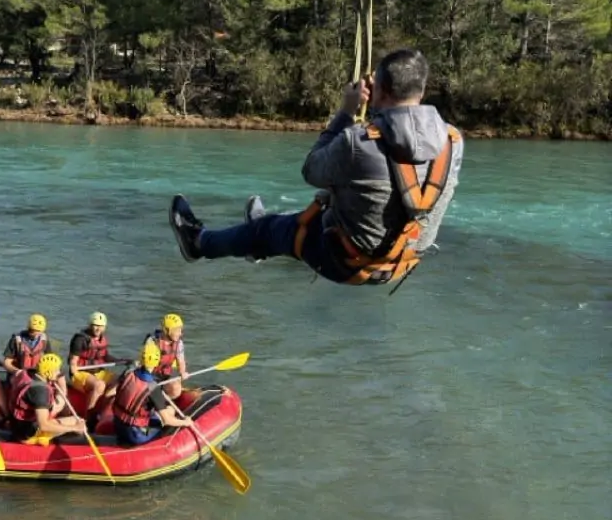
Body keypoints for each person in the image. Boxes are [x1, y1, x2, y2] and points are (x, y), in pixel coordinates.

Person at [169, 48, 464, 287]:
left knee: (270, 231)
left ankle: (198, 243)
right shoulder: (453, 140)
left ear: (381, 91)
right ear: (421, 91)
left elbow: (311, 170)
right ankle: (261, 233)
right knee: (308, 215)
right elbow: (403, 141)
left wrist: (347, 112)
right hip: (403, 260)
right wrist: (379, 103)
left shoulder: (357, 142)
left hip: (346, 261)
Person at [113, 341, 194, 445]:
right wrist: (186, 422)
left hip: (118, 425)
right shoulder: (152, 387)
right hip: (136, 435)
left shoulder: (128, 373)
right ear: (156, 361)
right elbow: (167, 420)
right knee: (170, 411)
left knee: (158, 412)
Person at [7, 354, 86, 444]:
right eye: (56, 371)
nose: (59, 373)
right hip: (28, 434)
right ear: (48, 372)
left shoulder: (24, 373)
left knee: (57, 404)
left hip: (17, 426)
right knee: (77, 421)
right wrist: (74, 428)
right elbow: (43, 425)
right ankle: (42, 439)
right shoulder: (40, 390)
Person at [67, 312, 128, 414]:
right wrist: (74, 371)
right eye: (96, 325)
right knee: (100, 385)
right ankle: (90, 415)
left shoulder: (102, 339)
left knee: (123, 380)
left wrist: (121, 360)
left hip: (98, 373)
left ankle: (104, 406)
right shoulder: (80, 340)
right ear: (90, 325)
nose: (98, 329)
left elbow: (105, 357)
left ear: (104, 327)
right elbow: (73, 362)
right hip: (80, 373)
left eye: (101, 326)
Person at [3, 313, 68, 400]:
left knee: (60, 376)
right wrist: (17, 371)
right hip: (20, 372)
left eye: (38, 331)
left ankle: (61, 400)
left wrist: (53, 371)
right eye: (32, 330)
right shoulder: (16, 340)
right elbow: (6, 363)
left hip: (37, 372)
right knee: (24, 380)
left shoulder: (44, 340)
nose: (34, 333)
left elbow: (51, 359)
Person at [144, 313, 188, 401]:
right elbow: (148, 367)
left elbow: (181, 361)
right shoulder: (152, 342)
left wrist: (182, 372)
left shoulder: (179, 343)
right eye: (176, 330)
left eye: (180, 330)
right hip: (150, 375)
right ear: (167, 330)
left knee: (176, 389)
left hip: (165, 375)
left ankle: (163, 400)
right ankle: (154, 402)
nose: (180, 333)